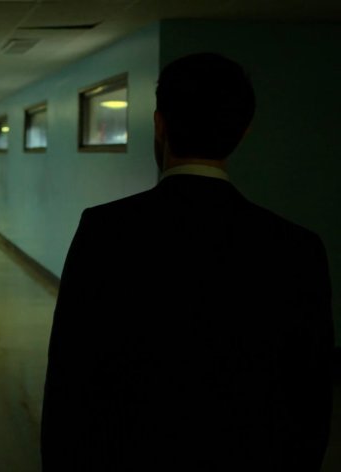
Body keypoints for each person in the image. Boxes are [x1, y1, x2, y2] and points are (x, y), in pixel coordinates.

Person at [41, 53, 333, 471]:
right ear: (243, 132)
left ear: (159, 124)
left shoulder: (106, 230)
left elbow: (71, 376)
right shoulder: (297, 248)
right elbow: (311, 397)